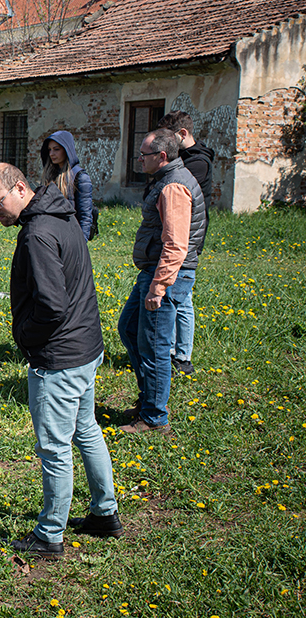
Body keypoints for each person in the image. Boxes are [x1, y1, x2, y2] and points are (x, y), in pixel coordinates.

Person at [0, 164, 120, 558]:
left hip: (59, 357)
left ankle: (49, 534)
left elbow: (52, 306)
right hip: (87, 347)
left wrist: (26, 337)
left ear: (20, 188)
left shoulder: (37, 234)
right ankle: (104, 513)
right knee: (86, 428)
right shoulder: (62, 213)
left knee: (55, 447)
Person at [117, 128, 206, 433]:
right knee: (129, 329)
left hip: (164, 276)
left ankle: (154, 417)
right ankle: (149, 401)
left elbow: (176, 243)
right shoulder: (167, 180)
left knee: (154, 346)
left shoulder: (174, 187)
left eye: (144, 155)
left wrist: (159, 285)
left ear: (162, 156)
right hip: (153, 272)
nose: (139, 159)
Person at [161, 111, 214, 375]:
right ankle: (173, 351)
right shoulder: (184, 160)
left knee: (180, 299)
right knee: (177, 296)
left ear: (183, 135)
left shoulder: (198, 163)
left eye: (170, 139)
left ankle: (181, 356)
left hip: (188, 236)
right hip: (179, 233)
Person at [40, 130, 95, 241]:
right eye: (49, 150)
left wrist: (81, 244)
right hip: (52, 235)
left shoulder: (80, 177)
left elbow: (85, 216)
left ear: (66, 150)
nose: (51, 154)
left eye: (56, 149)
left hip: (71, 237)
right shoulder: (51, 176)